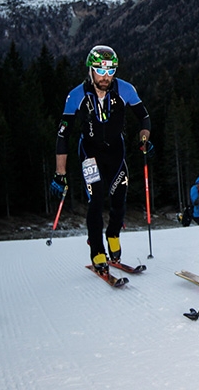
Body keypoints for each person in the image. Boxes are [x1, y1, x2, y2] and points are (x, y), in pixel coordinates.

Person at [51, 45, 151, 274]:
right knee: (95, 200)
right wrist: (60, 172)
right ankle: (97, 250)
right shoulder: (76, 95)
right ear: (90, 70)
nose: (106, 76)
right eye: (100, 70)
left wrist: (144, 138)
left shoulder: (125, 89)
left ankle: (113, 235)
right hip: (90, 153)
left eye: (110, 71)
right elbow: (62, 135)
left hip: (116, 151)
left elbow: (144, 118)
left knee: (119, 199)